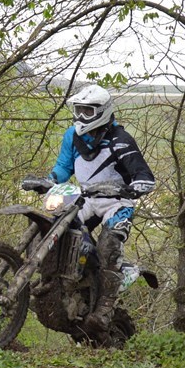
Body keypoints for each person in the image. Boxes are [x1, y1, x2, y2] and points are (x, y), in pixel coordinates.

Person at [46, 85, 155, 335]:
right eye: (78, 110)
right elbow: (63, 168)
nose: (81, 116)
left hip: (116, 202)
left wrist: (137, 186)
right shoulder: (71, 136)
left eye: (88, 111)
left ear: (103, 111)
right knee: (58, 227)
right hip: (85, 198)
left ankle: (104, 309)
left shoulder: (120, 140)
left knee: (107, 247)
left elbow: (143, 174)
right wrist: (49, 180)